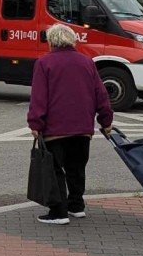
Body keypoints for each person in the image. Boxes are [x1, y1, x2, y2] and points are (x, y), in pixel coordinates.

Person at [27, 24, 114, 225]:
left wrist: (35, 123)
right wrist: (105, 120)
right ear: (72, 40)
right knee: (76, 167)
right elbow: (100, 94)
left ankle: (58, 212)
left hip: (55, 129)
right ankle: (76, 206)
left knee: (55, 168)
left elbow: (39, 97)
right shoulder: (86, 62)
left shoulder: (44, 63)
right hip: (82, 128)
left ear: (51, 41)